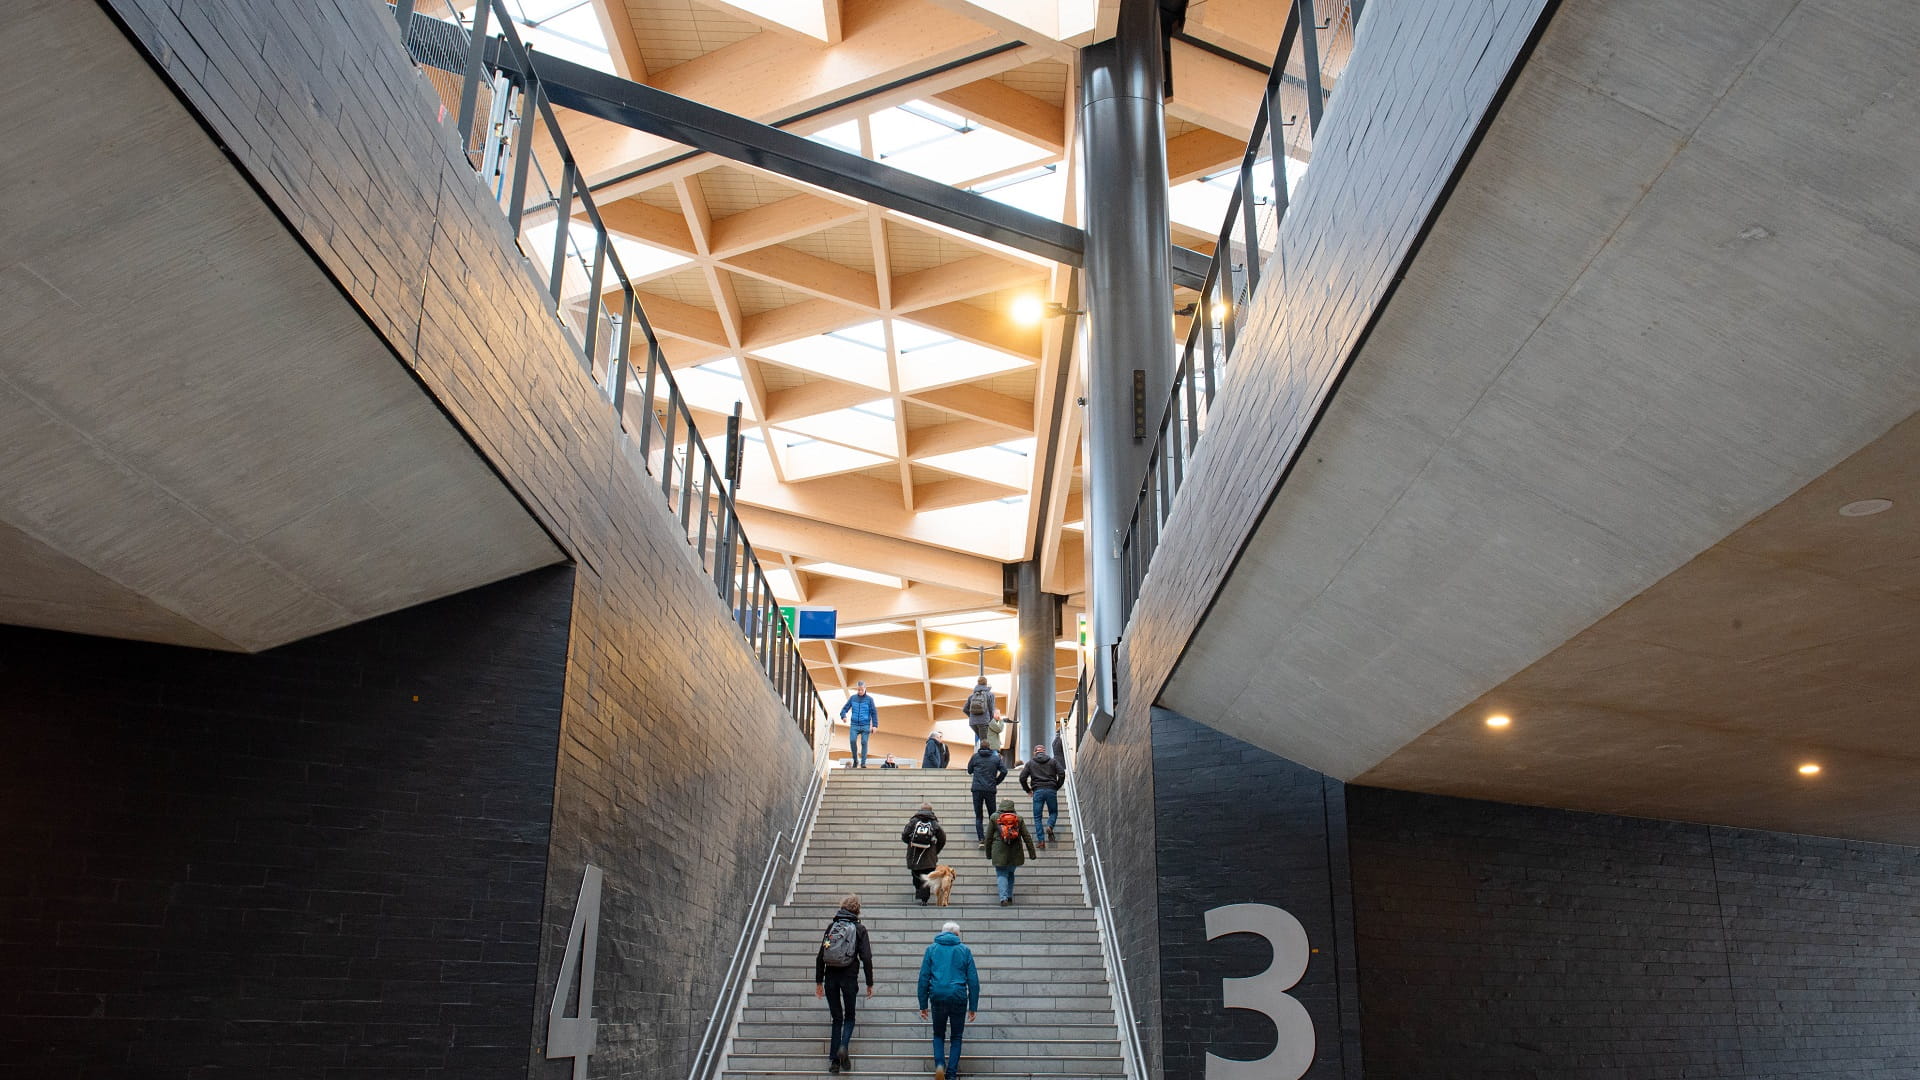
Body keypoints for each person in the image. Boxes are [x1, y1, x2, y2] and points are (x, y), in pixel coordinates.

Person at [814, 894, 874, 1074]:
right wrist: (869, 982)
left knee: (837, 1018)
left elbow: (821, 954)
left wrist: (819, 981)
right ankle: (843, 1046)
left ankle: (834, 1062)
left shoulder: (832, 927)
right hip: (849, 977)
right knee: (849, 1017)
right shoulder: (860, 929)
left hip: (831, 977)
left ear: (842, 908)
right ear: (857, 910)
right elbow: (866, 957)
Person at [916, 921, 979, 1080]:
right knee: (956, 1037)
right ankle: (951, 1074)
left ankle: (939, 1066)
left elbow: (923, 977)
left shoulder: (931, 949)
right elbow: (973, 980)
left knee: (938, 1034)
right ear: (957, 934)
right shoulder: (964, 950)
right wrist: (973, 1006)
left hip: (937, 995)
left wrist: (923, 1004)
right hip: (958, 996)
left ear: (943, 932)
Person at [981, 797, 1037, 906]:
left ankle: (1003, 898)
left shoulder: (994, 817)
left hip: (999, 851)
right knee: (1010, 873)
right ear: (1012, 806)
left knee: (1001, 874)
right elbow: (1026, 836)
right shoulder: (1018, 818)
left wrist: (988, 854)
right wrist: (1032, 853)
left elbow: (988, 837)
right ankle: (1009, 897)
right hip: (1015, 852)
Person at [1018, 743, 1065, 849]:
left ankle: (1041, 841)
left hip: (1038, 791)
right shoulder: (1053, 761)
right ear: (1044, 751)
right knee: (1053, 812)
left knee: (1037, 817)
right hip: (1051, 790)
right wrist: (1056, 786)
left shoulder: (1030, 763)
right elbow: (1062, 773)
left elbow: (1022, 778)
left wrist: (1028, 790)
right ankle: (1050, 826)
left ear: (1035, 752)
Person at [902, 801, 947, 904]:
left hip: (914, 855)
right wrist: (935, 850)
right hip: (929, 857)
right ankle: (924, 899)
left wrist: (911, 844)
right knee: (926, 878)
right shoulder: (934, 823)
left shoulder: (913, 821)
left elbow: (904, 835)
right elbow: (942, 838)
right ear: (931, 811)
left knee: (916, 875)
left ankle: (919, 891)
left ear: (920, 810)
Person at [965, 743, 1007, 842]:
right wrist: (997, 781)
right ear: (989, 747)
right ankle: (992, 837)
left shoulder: (975, 757)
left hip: (977, 789)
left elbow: (969, 770)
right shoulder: (995, 758)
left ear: (980, 747)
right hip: (990, 789)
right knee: (993, 815)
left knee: (978, 816)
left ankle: (981, 839)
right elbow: (1004, 771)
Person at [840, 681, 878, 768]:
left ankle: (863, 763)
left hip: (865, 725)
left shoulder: (869, 699)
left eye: (861, 690)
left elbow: (874, 713)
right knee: (852, 741)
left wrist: (875, 725)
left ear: (865, 689)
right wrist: (843, 716)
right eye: (858, 690)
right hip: (854, 725)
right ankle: (855, 760)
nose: (860, 691)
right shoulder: (853, 698)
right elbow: (844, 709)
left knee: (864, 742)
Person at [962, 677, 996, 746]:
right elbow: (991, 709)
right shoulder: (990, 695)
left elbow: (965, 709)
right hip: (984, 722)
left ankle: (982, 750)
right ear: (986, 683)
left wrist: (971, 716)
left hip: (973, 723)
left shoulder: (972, 696)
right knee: (985, 743)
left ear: (978, 683)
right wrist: (990, 720)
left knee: (983, 741)